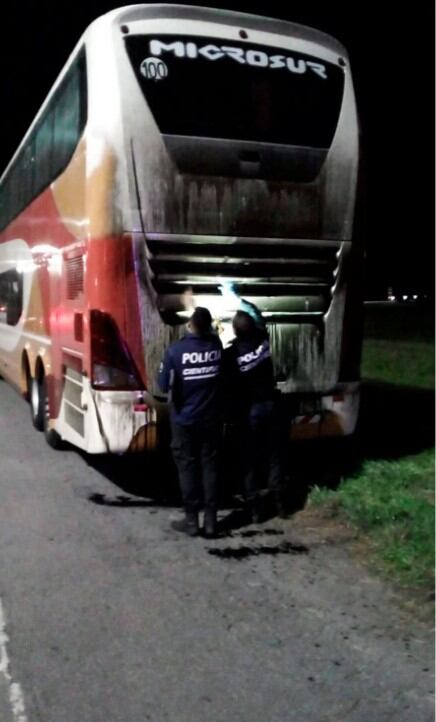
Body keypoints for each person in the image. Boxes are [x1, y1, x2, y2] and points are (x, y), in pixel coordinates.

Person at [158, 307, 222, 538]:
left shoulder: (176, 351)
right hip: (211, 419)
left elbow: (163, 385)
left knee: (187, 467)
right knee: (210, 466)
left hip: (184, 420)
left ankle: (192, 521)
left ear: (190, 324)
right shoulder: (216, 347)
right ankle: (212, 522)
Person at [223, 298, 286, 523]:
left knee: (248, 460)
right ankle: (279, 503)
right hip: (272, 406)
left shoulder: (231, 354)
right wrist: (240, 299)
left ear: (234, 331)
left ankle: (255, 508)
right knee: (274, 457)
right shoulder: (263, 340)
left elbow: (227, 382)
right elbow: (259, 318)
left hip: (249, 412)